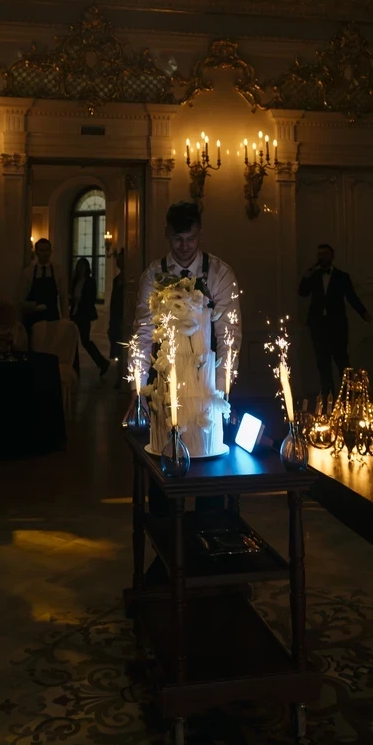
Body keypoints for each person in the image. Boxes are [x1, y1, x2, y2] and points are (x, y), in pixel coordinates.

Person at [134, 200, 242, 542]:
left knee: (210, 468)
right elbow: (143, 332)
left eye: (191, 239)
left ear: (200, 234)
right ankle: (166, 546)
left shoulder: (219, 273)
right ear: (167, 234)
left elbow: (230, 333)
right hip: (165, 381)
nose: (184, 246)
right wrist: (138, 387)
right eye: (178, 239)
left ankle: (209, 543)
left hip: (206, 382)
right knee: (164, 473)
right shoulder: (153, 275)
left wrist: (221, 390)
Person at [298, 243, 372, 399]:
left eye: (325, 254)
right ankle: (328, 395)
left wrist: (363, 313)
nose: (321, 257)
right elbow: (302, 293)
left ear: (331, 256)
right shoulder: (314, 275)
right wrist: (307, 275)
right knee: (322, 362)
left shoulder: (342, 277)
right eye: (319, 254)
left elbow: (351, 297)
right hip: (319, 325)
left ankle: (348, 395)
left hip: (337, 325)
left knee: (342, 360)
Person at [70, 256, 110, 376]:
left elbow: (90, 298)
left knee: (85, 341)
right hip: (74, 314)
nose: (81, 269)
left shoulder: (90, 281)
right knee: (73, 341)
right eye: (79, 267)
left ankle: (102, 362)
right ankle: (75, 368)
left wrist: (80, 302)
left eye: (83, 267)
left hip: (84, 315)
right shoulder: (76, 281)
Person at [20, 238, 61, 344]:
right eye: (41, 250)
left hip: (52, 316)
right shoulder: (28, 272)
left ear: (51, 251)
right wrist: (33, 307)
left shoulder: (58, 271)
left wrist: (65, 319)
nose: (44, 253)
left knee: (51, 346)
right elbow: (22, 298)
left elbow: (63, 297)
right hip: (33, 317)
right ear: (36, 252)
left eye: (47, 250)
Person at [108, 249, 125, 388]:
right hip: (116, 318)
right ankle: (119, 376)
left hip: (126, 316)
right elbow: (113, 302)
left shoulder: (130, 280)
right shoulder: (116, 280)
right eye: (117, 261)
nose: (118, 263)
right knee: (118, 350)